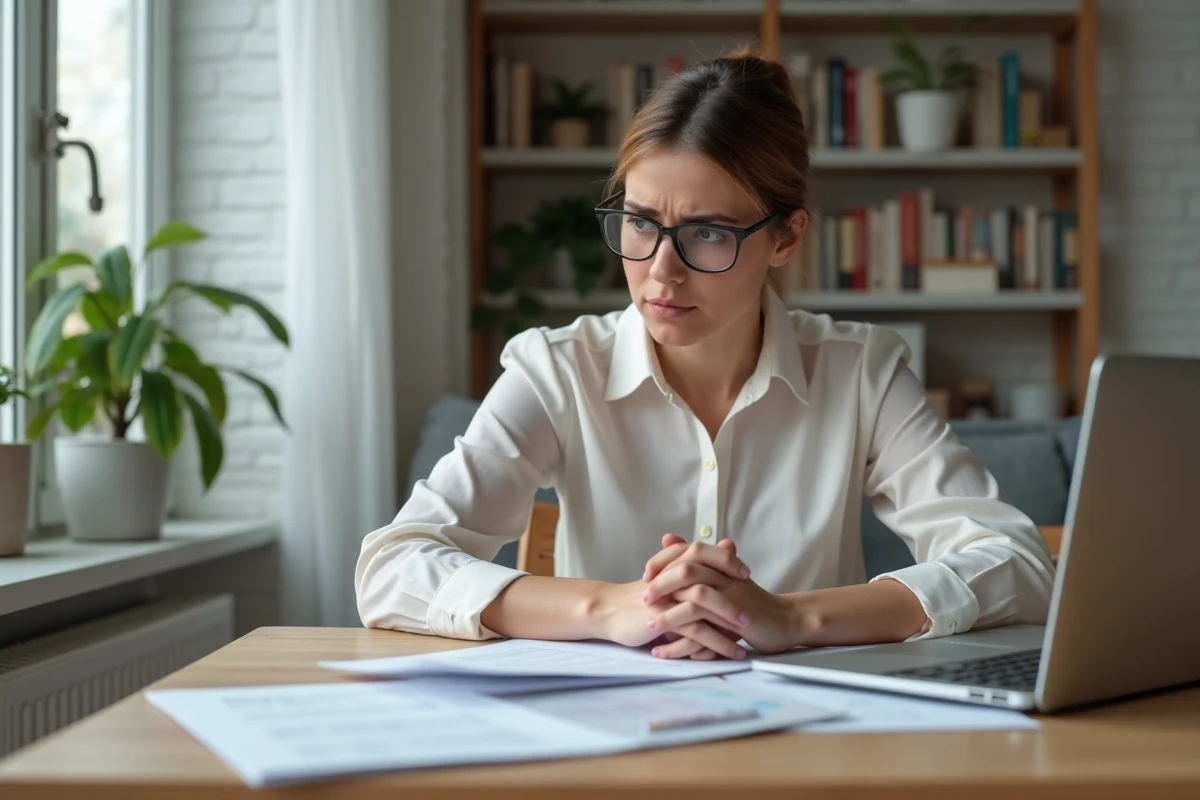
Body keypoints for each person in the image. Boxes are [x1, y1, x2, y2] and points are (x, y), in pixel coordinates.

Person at [355, 50, 1054, 661]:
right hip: (609, 742)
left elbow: (1017, 565)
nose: (661, 271)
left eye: (708, 233)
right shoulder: (558, 369)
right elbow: (392, 565)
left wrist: (792, 617)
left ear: (784, 238)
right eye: (639, 223)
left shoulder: (860, 369)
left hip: (811, 739)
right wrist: (613, 608)